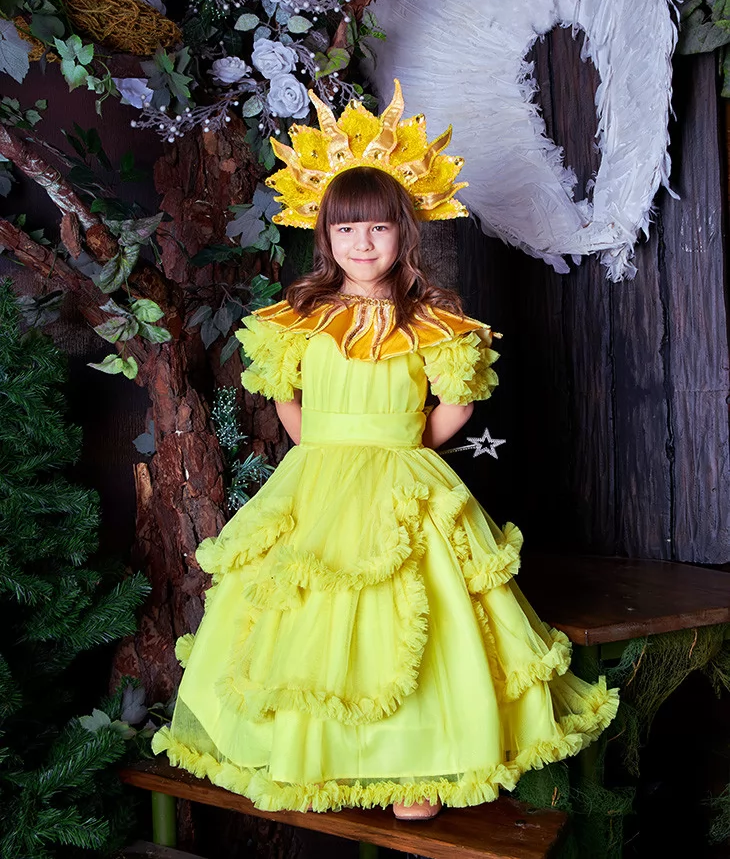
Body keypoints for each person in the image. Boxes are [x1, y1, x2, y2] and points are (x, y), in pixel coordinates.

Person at [152, 81, 618, 819]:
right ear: (325, 236)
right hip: (318, 474)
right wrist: (324, 450)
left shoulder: (430, 320)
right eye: (346, 230)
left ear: (405, 232)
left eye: (377, 228)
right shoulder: (299, 317)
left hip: (402, 472)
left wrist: (399, 446)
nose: (361, 243)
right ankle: (315, 755)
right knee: (314, 615)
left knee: (414, 615)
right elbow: (284, 396)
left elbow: (457, 403)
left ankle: (415, 769)